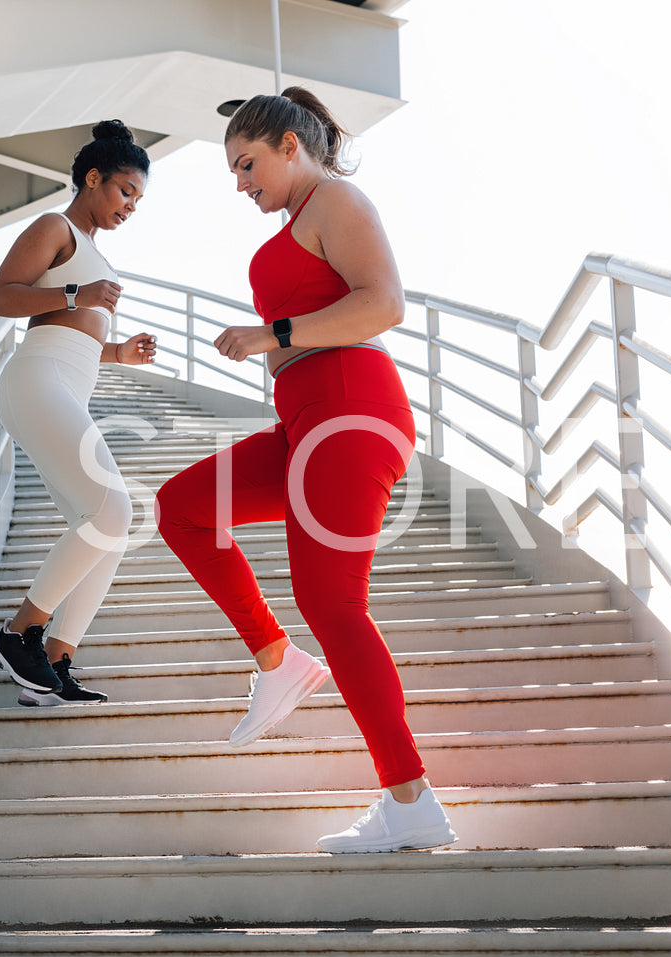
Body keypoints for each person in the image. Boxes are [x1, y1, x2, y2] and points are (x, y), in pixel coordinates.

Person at [154, 89, 456, 853]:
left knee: (332, 603)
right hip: (305, 420)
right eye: (231, 170)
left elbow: (382, 304)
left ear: (291, 145)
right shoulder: (299, 221)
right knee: (182, 506)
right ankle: (277, 660)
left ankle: (409, 799)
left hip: (350, 409)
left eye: (246, 163)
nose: (238, 182)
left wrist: (271, 334)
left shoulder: (335, 199)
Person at [0, 120, 157, 707]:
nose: (131, 206)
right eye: (125, 191)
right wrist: (77, 295)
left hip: (64, 381)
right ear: (92, 178)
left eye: (138, 199)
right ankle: (17, 632)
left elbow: (74, 335)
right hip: (35, 379)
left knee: (108, 527)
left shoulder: (95, 254)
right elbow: (1, 296)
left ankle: (54, 661)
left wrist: (117, 353)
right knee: (113, 506)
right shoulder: (54, 227)